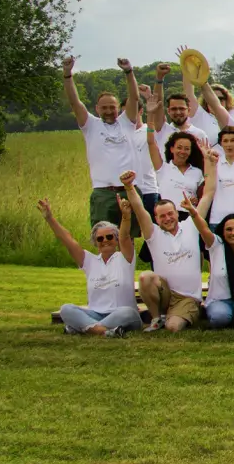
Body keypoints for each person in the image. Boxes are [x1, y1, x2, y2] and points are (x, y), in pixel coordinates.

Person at [64, 56, 143, 235]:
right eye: (104, 108)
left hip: (128, 190)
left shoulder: (127, 121)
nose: (109, 111)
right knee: (105, 239)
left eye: (112, 107)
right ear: (97, 108)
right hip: (103, 192)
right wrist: (67, 75)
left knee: (127, 238)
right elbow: (74, 102)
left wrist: (129, 72)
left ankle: (126, 265)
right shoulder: (90, 125)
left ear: (118, 108)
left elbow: (134, 96)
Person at [42, 196, 141, 336]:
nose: (105, 241)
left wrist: (126, 216)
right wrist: (50, 218)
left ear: (116, 239)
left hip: (122, 314)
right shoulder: (89, 260)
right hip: (95, 314)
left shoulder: (125, 257)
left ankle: (82, 327)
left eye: (110, 237)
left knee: (127, 312)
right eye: (100, 238)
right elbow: (68, 240)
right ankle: (104, 331)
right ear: (95, 242)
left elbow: (125, 236)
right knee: (66, 309)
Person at [123, 172, 206, 333]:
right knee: (145, 277)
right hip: (165, 293)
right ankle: (156, 318)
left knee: (173, 328)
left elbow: (208, 194)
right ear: (156, 218)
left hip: (187, 297)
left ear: (176, 213)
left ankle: (179, 316)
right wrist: (129, 186)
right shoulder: (153, 234)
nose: (167, 218)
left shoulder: (191, 225)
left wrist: (210, 164)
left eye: (170, 214)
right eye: (162, 216)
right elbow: (139, 209)